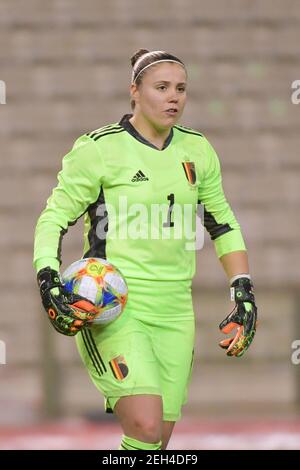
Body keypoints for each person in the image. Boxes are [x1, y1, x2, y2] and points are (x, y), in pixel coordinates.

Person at [33, 49, 257, 451]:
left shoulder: (197, 150)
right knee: (146, 427)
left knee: (157, 443)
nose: (174, 97)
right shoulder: (99, 148)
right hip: (115, 307)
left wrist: (243, 290)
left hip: (175, 309)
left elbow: (223, 223)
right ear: (134, 91)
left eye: (181, 88)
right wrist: (48, 277)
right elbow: (54, 218)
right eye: (161, 87)